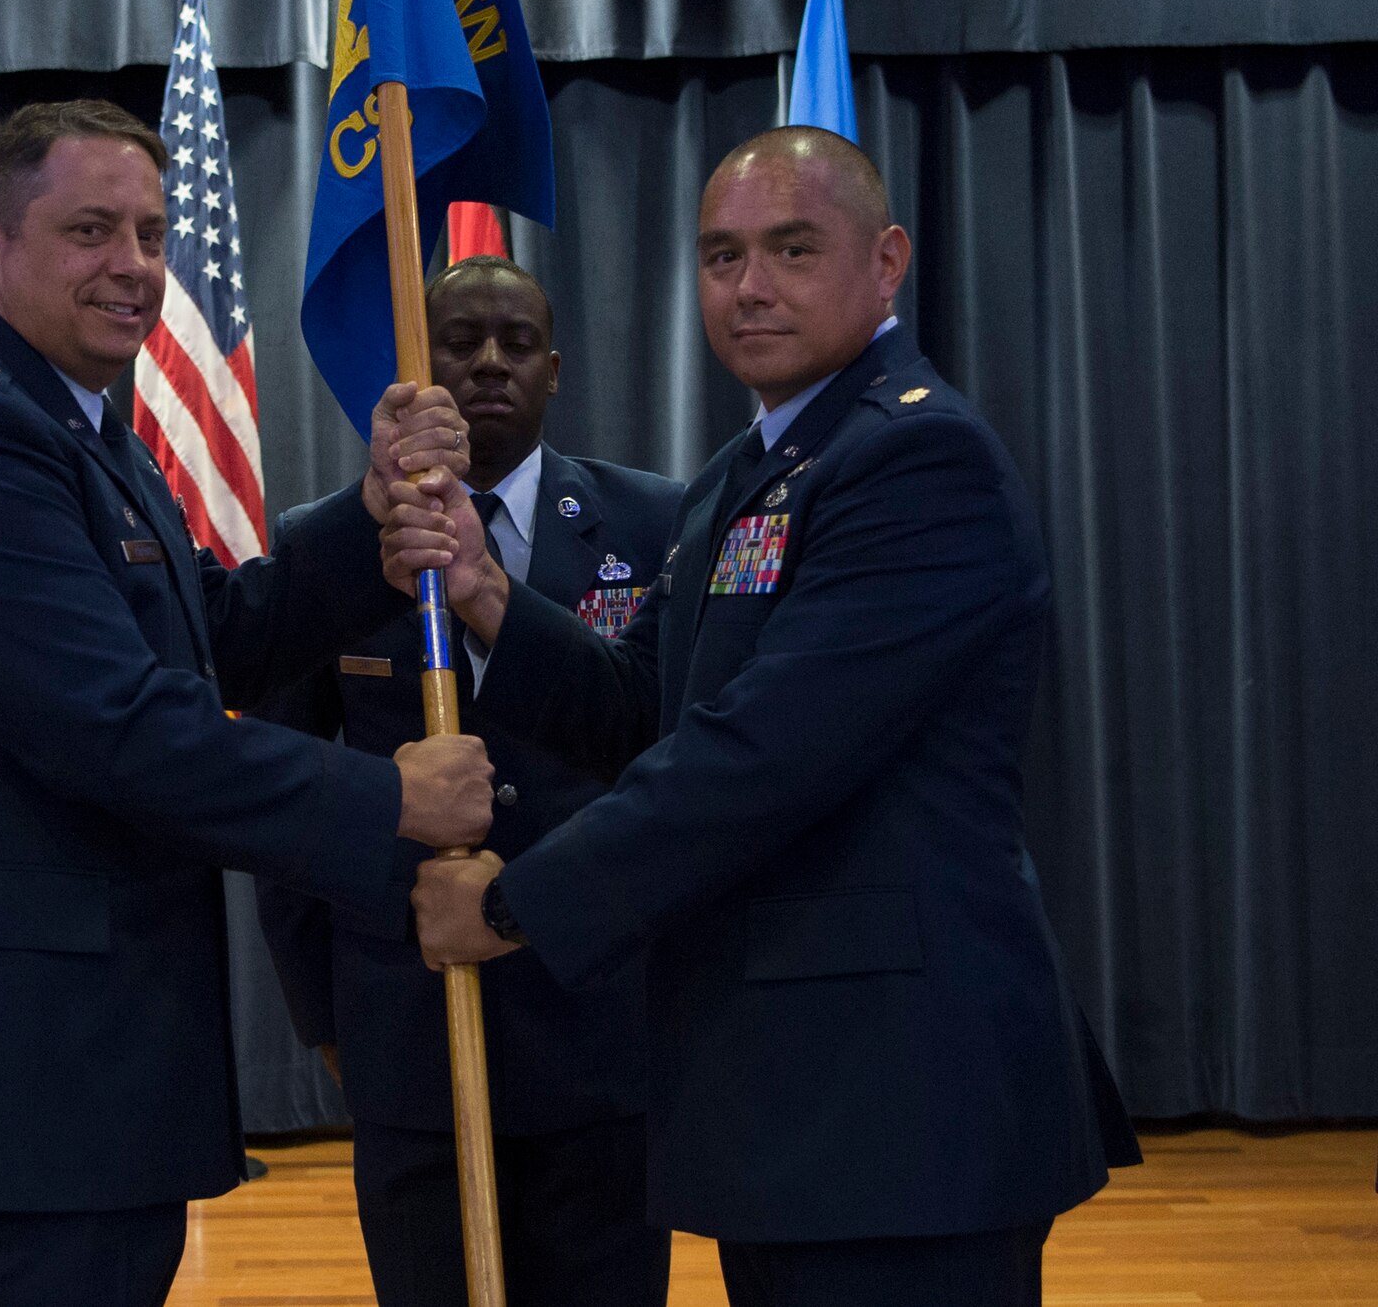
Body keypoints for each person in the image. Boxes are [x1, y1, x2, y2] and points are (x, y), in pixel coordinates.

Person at [391, 126, 1141, 1307]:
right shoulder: (751, 470)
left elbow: (757, 757)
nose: (749, 286)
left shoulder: (911, 458)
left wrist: (506, 904)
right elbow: (645, 702)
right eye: (721, 255)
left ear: (885, 261)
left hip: (899, 1095)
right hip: (789, 1089)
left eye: (791, 249)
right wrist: (488, 595)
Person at [0, 99, 496, 1306]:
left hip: (73, 1085)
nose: (132, 265)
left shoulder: (78, 426)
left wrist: (371, 516)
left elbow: (205, 637)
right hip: (4, 1095)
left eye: (151, 231)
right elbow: (117, 727)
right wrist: (385, 798)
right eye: (89, 231)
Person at [254, 256, 681, 1306]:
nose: (488, 362)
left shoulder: (656, 523)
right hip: (407, 1028)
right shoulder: (338, 548)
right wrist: (324, 1020)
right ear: (418, 366)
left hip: (601, 1027)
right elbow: (289, 806)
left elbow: (674, 763)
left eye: (515, 343)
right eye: (458, 342)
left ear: (554, 370)